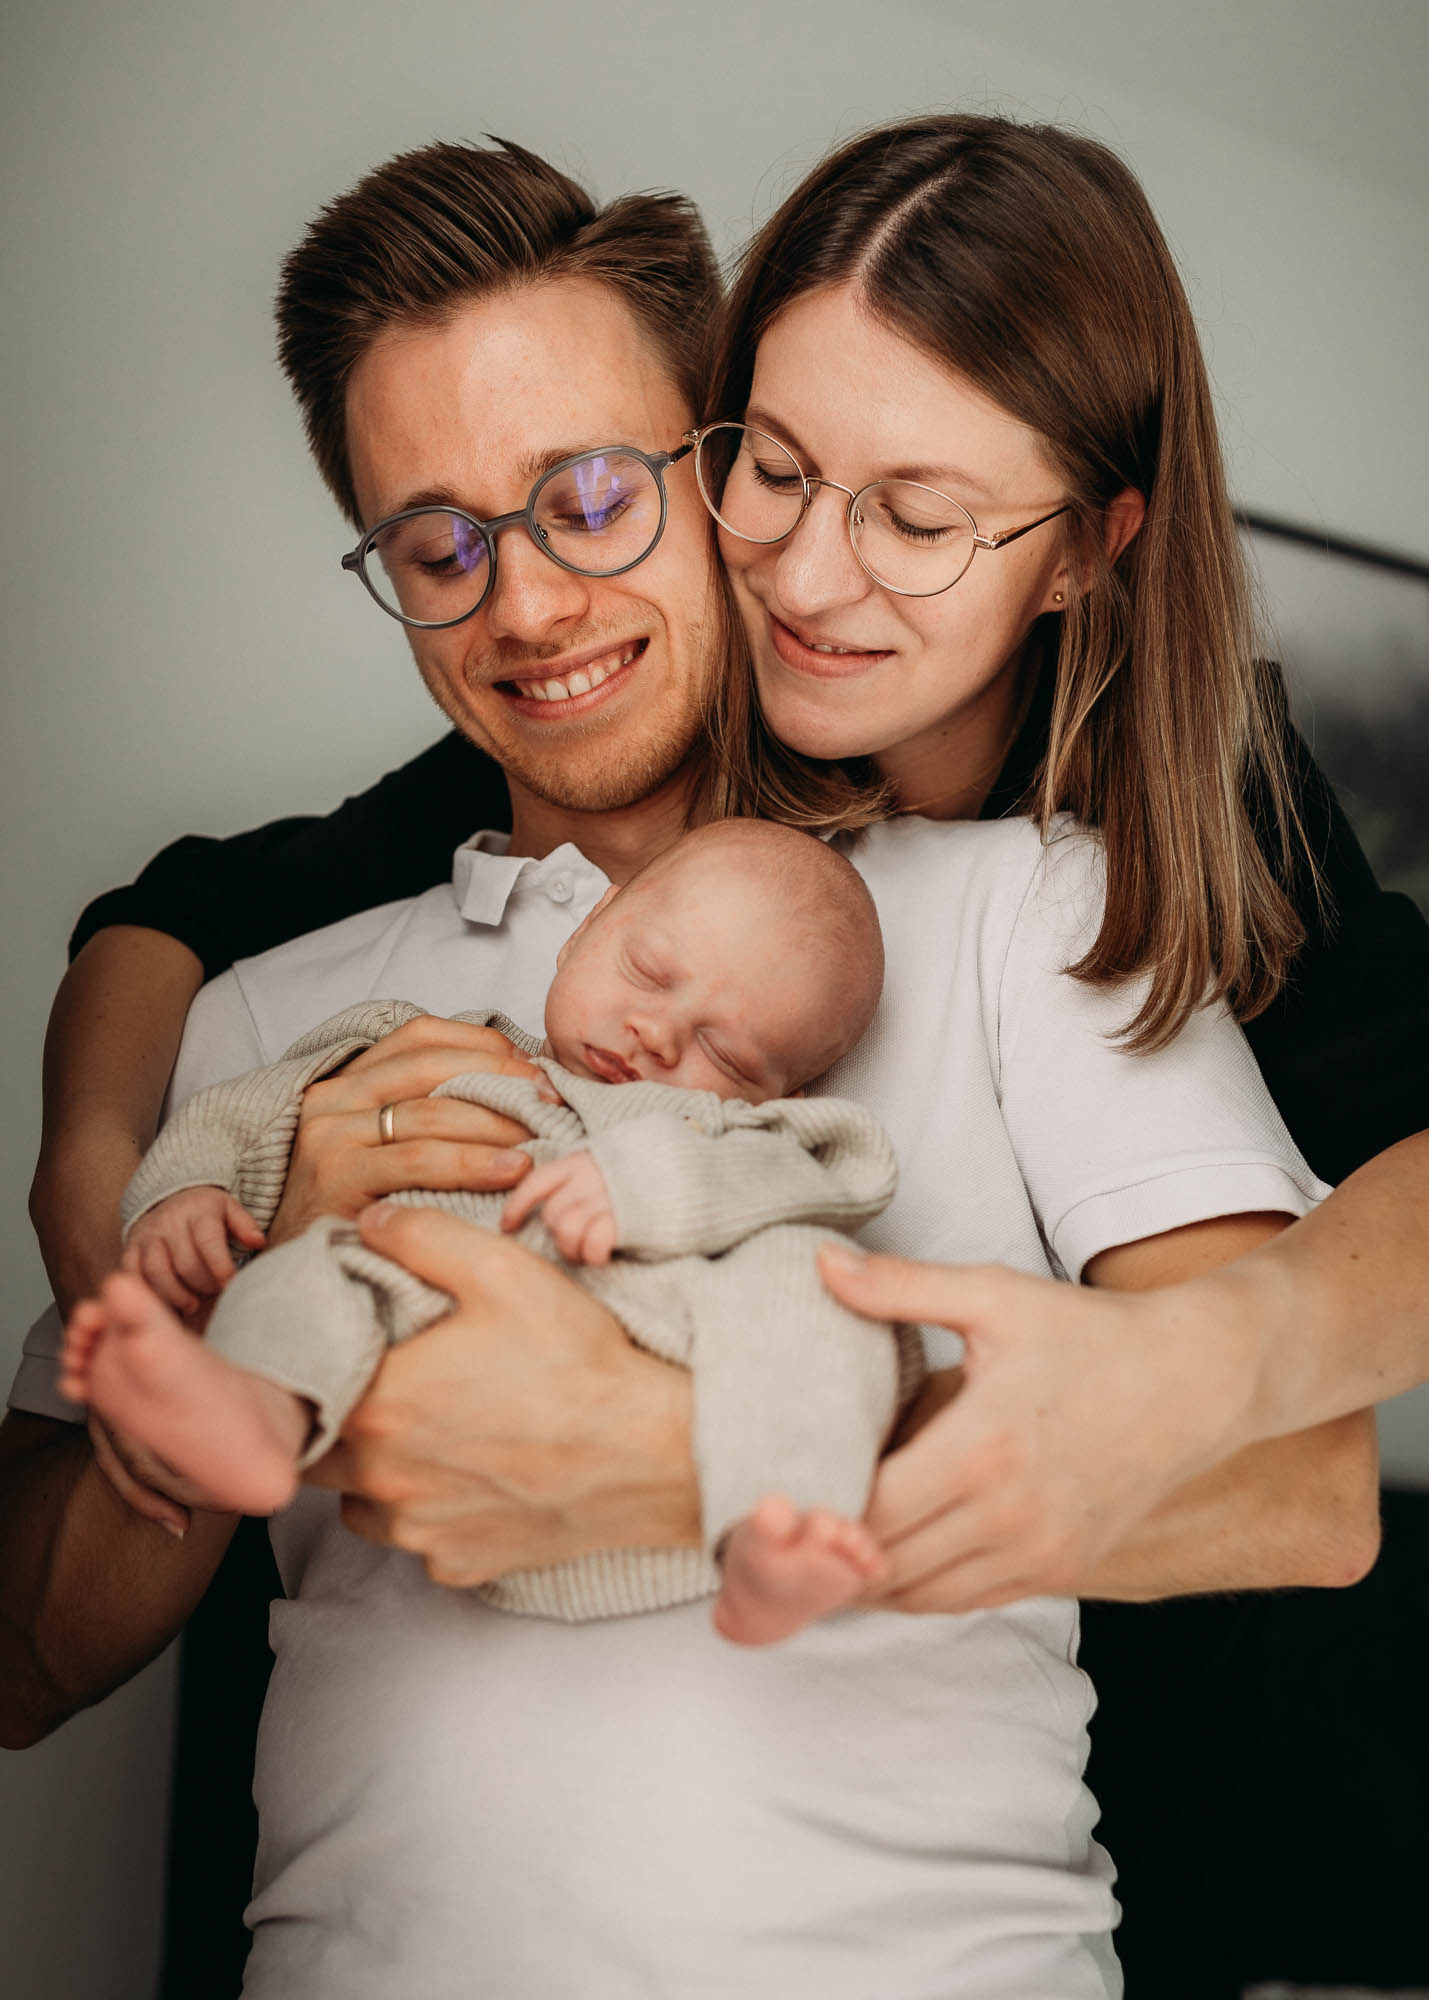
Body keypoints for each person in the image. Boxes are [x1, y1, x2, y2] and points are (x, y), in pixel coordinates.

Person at [0, 121, 1417, 1996]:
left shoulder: (1053, 896)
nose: (525, 603)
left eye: (592, 496)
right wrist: (185, 1261)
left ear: (696, 460)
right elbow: (20, 1657)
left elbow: (1300, 1491)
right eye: (436, 543)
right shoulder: (286, 1005)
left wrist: (670, 1461)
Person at [63, 820, 911, 1645]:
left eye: (725, 1057)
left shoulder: (719, 1134)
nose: (655, 1034)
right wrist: (187, 1189)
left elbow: (839, 1171)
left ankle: (775, 1523)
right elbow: (249, 1111)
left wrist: (647, 1183)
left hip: (644, 1417)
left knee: (817, 1274)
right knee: (316, 1259)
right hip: (425, 1360)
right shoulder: (429, 1047)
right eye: (648, 973)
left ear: (778, 1098)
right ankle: (255, 1412)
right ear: (586, 927)